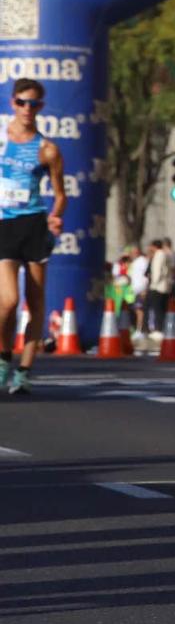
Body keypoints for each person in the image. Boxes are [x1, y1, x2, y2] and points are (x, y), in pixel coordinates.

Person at [0, 77, 65, 396]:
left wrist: (56, 216)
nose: (28, 109)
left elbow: (60, 194)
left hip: (35, 226)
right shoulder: (1, 138)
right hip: (4, 225)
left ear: (41, 107)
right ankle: (2, 360)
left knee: (35, 300)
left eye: (34, 104)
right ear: (13, 103)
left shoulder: (48, 149)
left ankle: (24, 371)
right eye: (22, 102)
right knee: (8, 301)